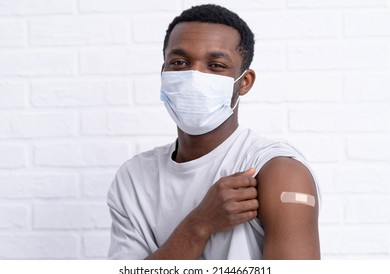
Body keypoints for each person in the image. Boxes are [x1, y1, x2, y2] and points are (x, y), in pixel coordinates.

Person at [107, 4, 320, 260]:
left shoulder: (278, 171)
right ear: (163, 72)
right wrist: (199, 224)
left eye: (216, 66)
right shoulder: (134, 178)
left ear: (244, 82)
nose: (194, 76)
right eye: (179, 62)